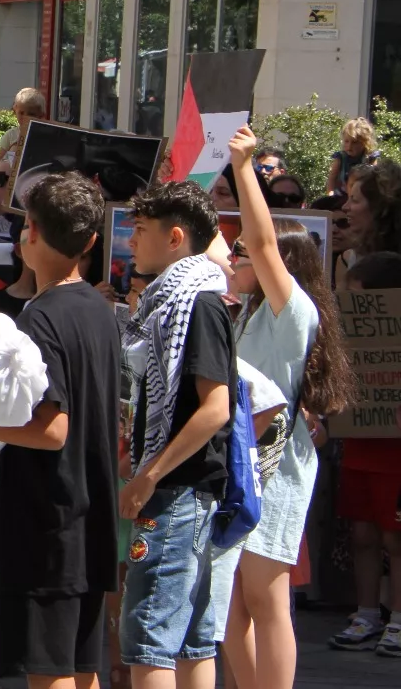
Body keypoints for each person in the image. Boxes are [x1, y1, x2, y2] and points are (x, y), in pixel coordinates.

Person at [0, 173, 121, 689]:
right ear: (91, 241)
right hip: (90, 512)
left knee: (49, 670)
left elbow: (53, 429)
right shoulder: (98, 309)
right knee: (80, 666)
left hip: (48, 518)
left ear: (30, 232)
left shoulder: (42, 318)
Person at [217, 127, 354, 689]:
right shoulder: (246, 313)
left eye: (241, 251)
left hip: (276, 469)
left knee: (264, 595)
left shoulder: (292, 311)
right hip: (240, 466)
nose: (234, 255)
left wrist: (243, 168)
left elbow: (262, 242)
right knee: (229, 604)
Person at [119, 181, 234, 689]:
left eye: (141, 230)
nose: (130, 241)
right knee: (190, 637)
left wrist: (151, 474)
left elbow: (215, 408)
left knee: (149, 634)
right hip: (183, 489)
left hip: (178, 490)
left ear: (175, 238)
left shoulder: (197, 303)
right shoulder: (170, 303)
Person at [330, 250, 401, 656]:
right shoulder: (345, 339)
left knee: (395, 537)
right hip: (359, 445)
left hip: (394, 454)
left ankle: (398, 620)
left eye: (356, 298)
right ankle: (367, 614)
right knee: (362, 534)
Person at [0, 88, 50, 173]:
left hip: (35, 174)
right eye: (21, 113)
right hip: (11, 176)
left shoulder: (44, 135)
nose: (25, 117)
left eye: (31, 114)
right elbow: (0, 158)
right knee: (14, 148)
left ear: (41, 115)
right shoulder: (11, 135)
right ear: (15, 111)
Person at [326, 117, 380, 195]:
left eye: (354, 142)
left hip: (362, 195)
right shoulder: (340, 158)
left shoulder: (369, 158)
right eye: (346, 141)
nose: (349, 146)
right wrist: (330, 194)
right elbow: (332, 178)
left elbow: (374, 180)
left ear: (364, 143)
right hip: (342, 194)